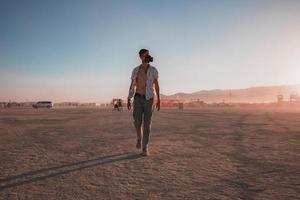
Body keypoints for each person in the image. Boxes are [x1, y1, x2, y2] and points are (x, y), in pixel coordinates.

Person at [127, 49, 160, 156]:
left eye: (148, 55)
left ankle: (145, 147)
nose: (148, 56)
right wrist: (128, 98)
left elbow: (156, 85)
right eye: (145, 55)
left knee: (147, 124)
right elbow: (132, 85)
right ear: (141, 57)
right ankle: (139, 137)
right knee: (137, 122)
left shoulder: (154, 70)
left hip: (149, 99)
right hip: (137, 98)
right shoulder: (135, 70)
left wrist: (158, 99)